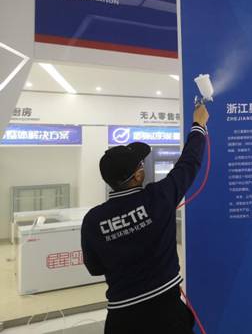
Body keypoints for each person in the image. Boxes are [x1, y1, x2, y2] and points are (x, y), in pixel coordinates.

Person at [81, 104, 209, 334]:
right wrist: (199, 125)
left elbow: (95, 268)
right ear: (138, 175)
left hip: (121, 320)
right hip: (167, 315)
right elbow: (188, 164)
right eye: (141, 164)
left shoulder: (92, 220)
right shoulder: (157, 198)